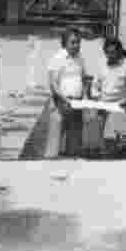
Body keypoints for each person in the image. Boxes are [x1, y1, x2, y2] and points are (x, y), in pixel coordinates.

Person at [47, 28, 88, 157]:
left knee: (74, 144)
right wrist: (65, 100)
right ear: (65, 43)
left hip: (77, 103)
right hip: (61, 103)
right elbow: (53, 84)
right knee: (55, 143)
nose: (77, 45)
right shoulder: (57, 58)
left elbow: (83, 78)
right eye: (73, 42)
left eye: (78, 42)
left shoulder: (80, 58)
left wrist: (85, 96)